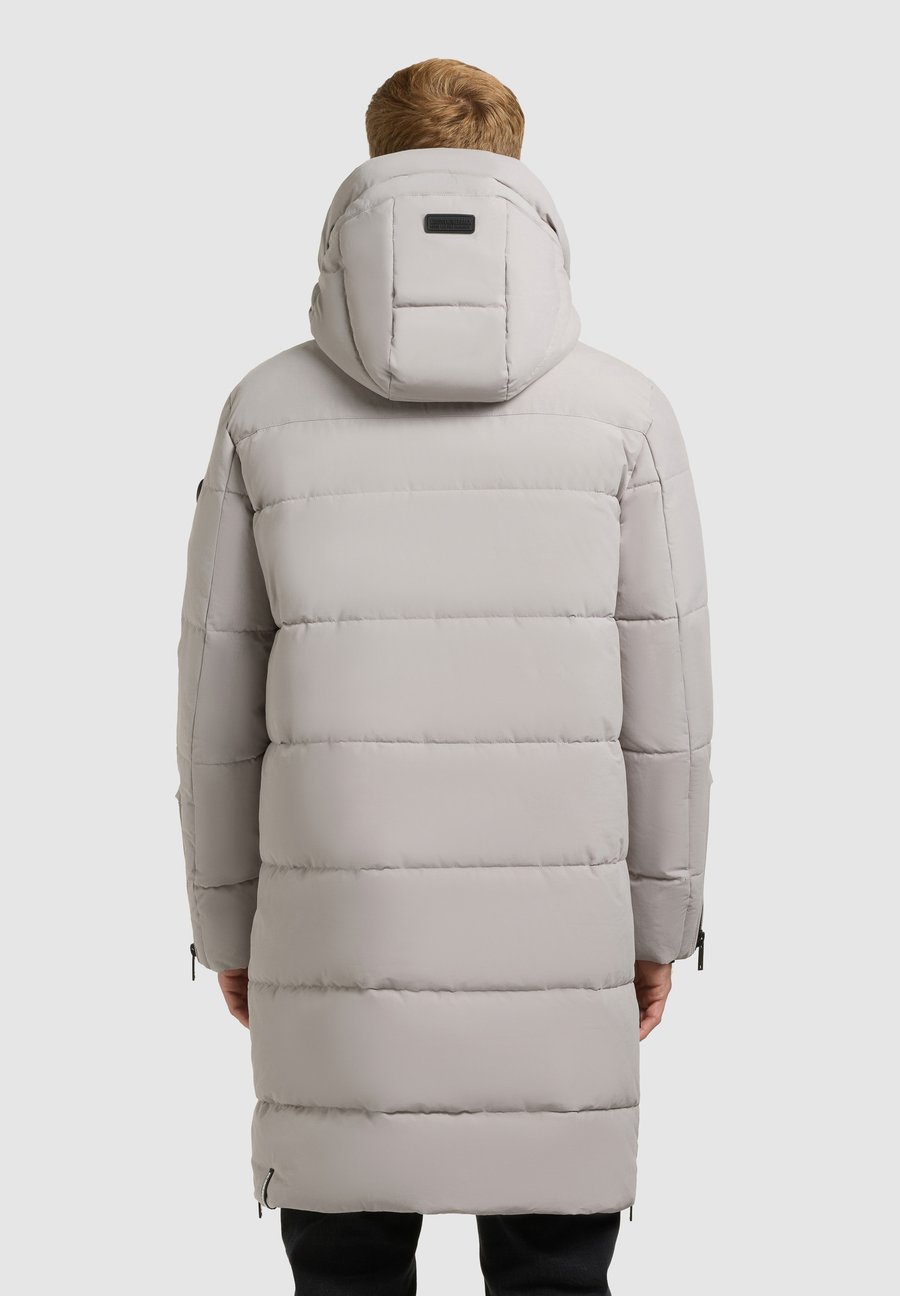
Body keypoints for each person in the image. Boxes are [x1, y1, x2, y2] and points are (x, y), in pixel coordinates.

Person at [175, 57, 713, 1296]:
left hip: (336, 940)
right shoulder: (625, 414)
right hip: (560, 956)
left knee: (345, 1276)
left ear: (373, 165)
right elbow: (671, 710)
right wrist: (657, 927)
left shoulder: (265, 410)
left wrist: (227, 924)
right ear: (517, 167)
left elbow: (214, 705)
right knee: (554, 1276)